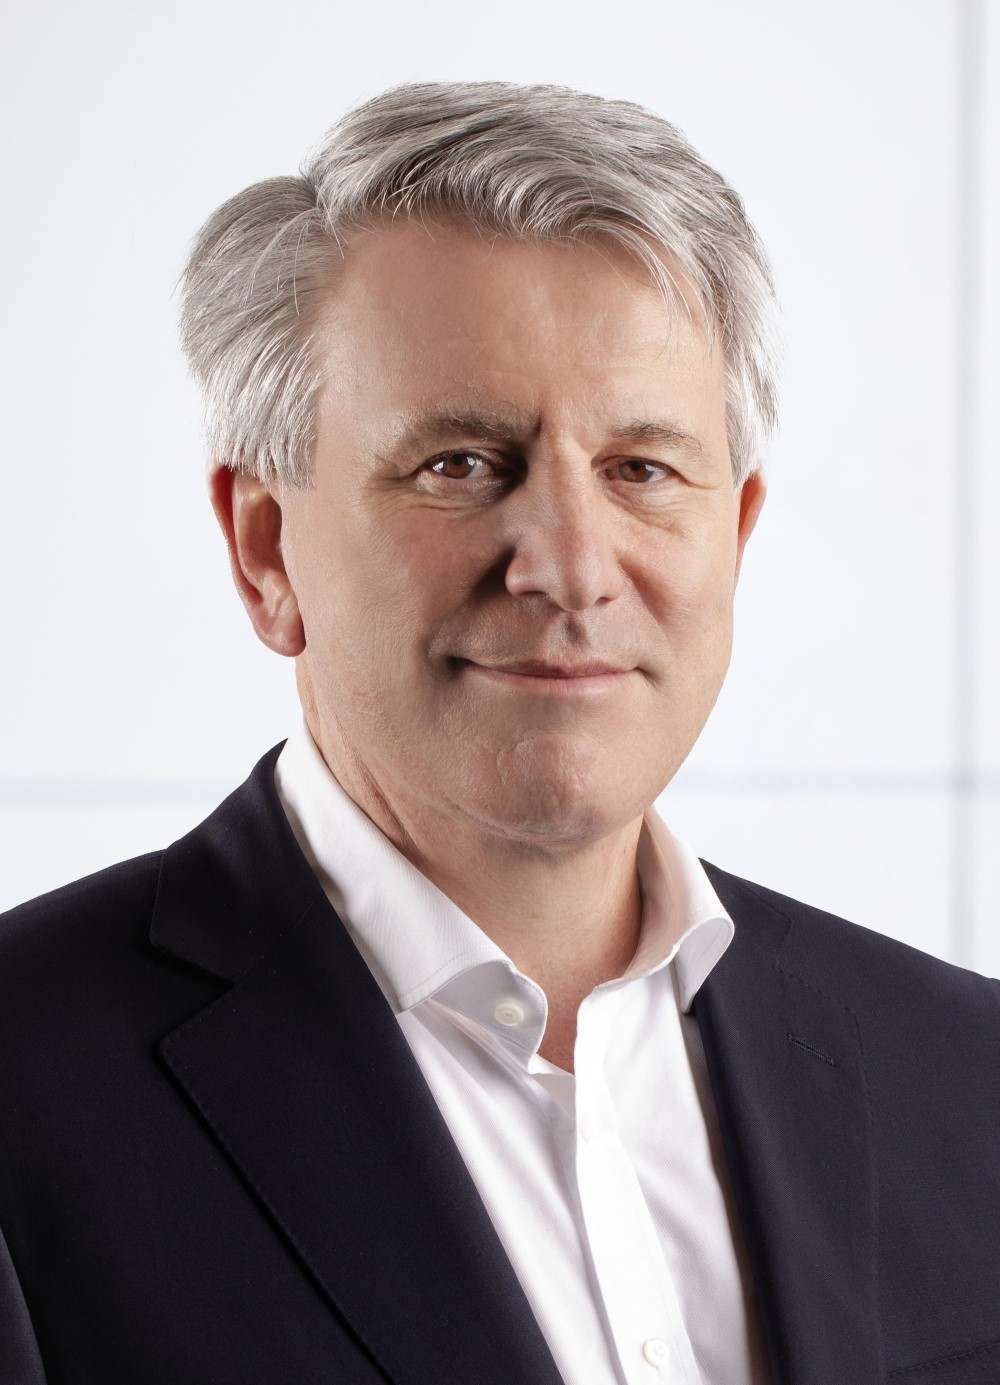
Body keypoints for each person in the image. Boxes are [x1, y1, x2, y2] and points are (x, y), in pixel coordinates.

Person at [0, 82, 996, 1385]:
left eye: (642, 469)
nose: (571, 566)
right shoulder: (27, 1089)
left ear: (737, 535)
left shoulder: (966, 1075)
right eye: (461, 463)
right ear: (266, 550)